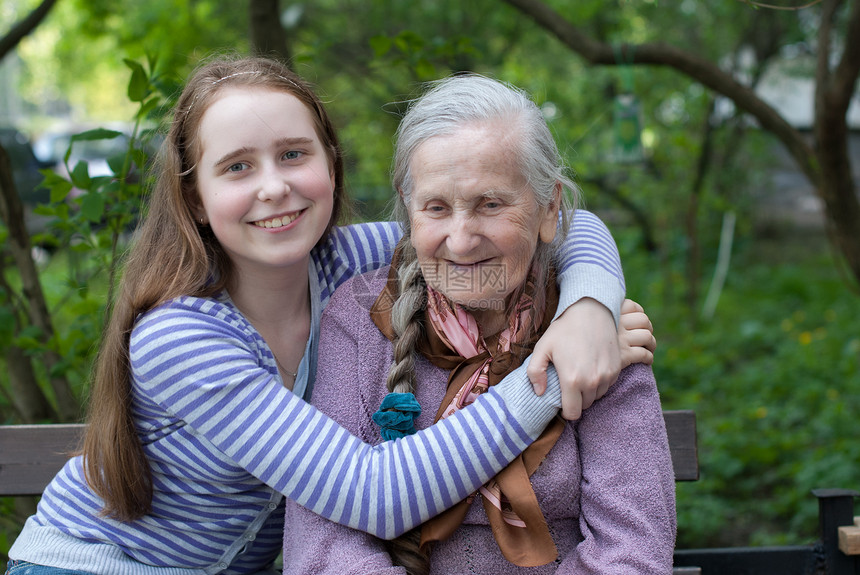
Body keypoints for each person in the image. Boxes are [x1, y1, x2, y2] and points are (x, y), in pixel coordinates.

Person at [6, 57, 652, 575]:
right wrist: (548, 378)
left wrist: (588, 308)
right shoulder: (182, 336)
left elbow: (568, 222)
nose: (273, 187)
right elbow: (370, 493)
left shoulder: (349, 259)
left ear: (331, 164)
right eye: (237, 167)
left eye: (293, 154)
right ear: (195, 198)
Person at [281, 74, 675, 574]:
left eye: (490, 204)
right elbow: (324, 547)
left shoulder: (594, 328)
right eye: (437, 208)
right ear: (408, 205)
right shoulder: (358, 322)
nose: (461, 241)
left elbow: (634, 551)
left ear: (549, 206)